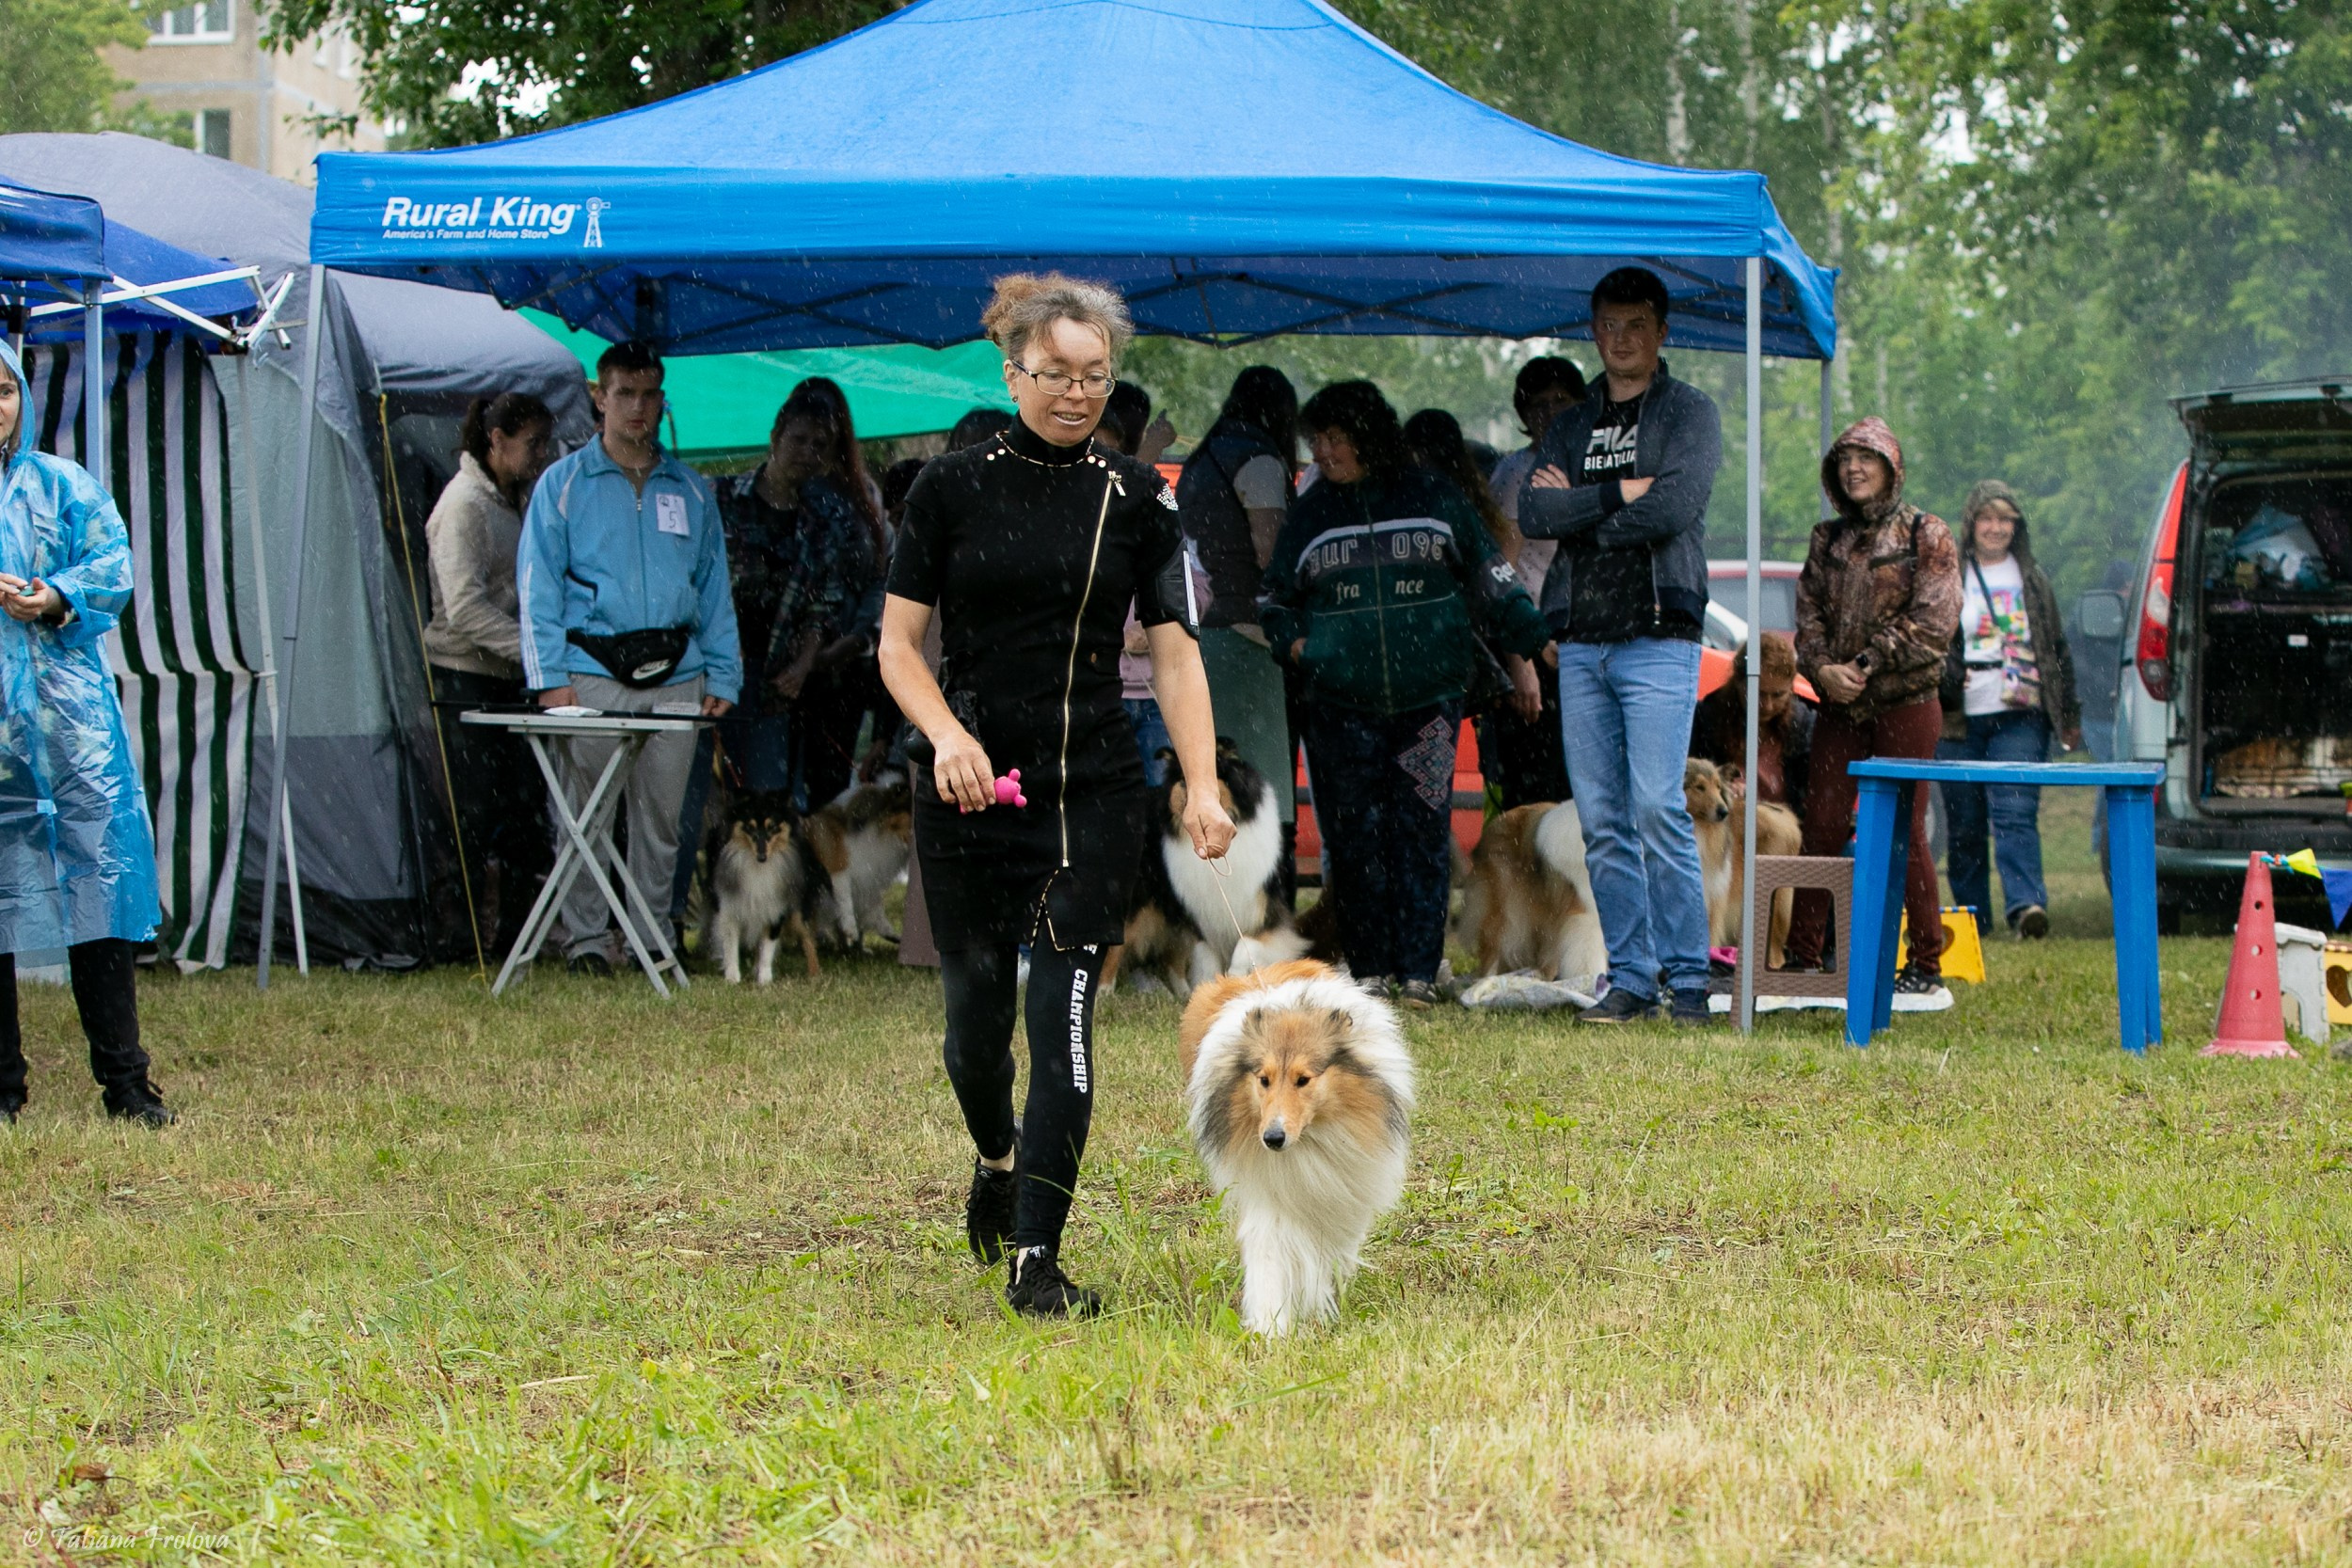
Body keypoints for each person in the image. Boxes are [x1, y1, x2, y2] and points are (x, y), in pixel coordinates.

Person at [879, 273, 1233, 1319]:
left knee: (1062, 1017)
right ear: (1012, 369)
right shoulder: (946, 489)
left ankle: (1038, 1257)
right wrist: (946, 734)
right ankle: (993, 1155)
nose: (1076, 393)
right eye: (1055, 373)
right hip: (972, 785)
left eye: (1096, 375)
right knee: (974, 1028)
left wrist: (1200, 784)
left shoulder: (1138, 498)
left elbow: (1176, 655)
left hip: (1091, 790)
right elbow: (897, 646)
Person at [1262, 381, 1548, 1010]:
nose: (1323, 451)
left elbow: (1490, 575)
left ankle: (1418, 972)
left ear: (1369, 436)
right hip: (1338, 708)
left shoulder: (1435, 497)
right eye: (1317, 439)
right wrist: (1298, 646)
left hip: (1428, 704)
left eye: (1334, 438)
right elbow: (1275, 599)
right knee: (1354, 837)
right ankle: (1368, 972)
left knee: (1421, 832)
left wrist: (1534, 635)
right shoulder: (1311, 512)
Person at [1515, 266, 1722, 1026]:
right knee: (1601, 817)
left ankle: (1691, 980)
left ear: (1662, 331)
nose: (1623, 339)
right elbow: (1535, 511)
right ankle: (1630, 976)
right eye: (1609, 325)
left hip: (1661, 633)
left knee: (1658, 807)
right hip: (1583, 637)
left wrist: (1585, 515)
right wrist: (1614, 494)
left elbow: (1676, 505)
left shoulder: (1689, 413)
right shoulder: (1573, 424)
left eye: (1637, 324)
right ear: (1594, 332)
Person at [517, 340, 740, 976]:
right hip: (589, 669)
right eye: (626, 394)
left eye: (649, 394)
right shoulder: (561, 486)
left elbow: (713, 587)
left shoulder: (691, 491)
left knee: (663, 820)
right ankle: (587, 941)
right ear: (599, 397)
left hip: (678, 668)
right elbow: (536, 586)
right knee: (585, 815)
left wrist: (723, 670)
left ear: (661, 398)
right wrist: (549, 679)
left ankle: (649, 937)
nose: (639, 408)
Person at [0, 340, 170, 1128]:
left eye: (3, 390)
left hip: (71, 731)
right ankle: (4, 1087)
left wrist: (54, 594)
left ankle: (127, 1085)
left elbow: (113, 564)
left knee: (96, 888)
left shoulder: (63, 485)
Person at [1787, 417, 1963, 1008]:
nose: (1854, 468)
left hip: (1907, 703)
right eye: (1845, 459)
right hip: (1839, 705)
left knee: (1904, 832)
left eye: (1868, 457)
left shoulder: (1926, 534)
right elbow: (1806, 619)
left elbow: (1935, 625)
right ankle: (1803, 961)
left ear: (1892, 467)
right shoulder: (1824, 538)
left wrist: (1862, 663)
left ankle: (1925, 963)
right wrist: (1819, 669)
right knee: (1824, 827)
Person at [423, 392, 556, 952]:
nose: (540, 455)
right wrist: (534, 653)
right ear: (496, 441)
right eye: (533, 444)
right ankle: (460, 941)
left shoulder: (513, 498)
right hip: (465, 678)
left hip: (506, 678)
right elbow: (464, 607)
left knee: (522, 810)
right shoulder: (464, 505)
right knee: (470, 818)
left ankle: (518, 937)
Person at [1938, 480, 2082, 939]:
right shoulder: (1947, 575)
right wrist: (1944, 673)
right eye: (1987, 518)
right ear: (1971, 524)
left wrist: (2069, 714)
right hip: (1958, 716)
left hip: (2022, 712)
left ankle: (2026, 908)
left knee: (2015, 812)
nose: (1996, 528)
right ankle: (1972, 919)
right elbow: (1929, 639)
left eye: (2005, 519)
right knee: (1964, 824)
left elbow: (2057, 649)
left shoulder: (2033, 579)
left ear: (2016, 526)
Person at [1177, 367, 1299, 847]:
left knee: (1216, 783)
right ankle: (1263, 908)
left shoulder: (1201, 457)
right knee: (1257, 794)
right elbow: (1269, 551)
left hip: (1203, 635)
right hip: (1248, 637)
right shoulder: (1259, 459)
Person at [1404, 408, 1549, 795]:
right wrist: (1527, 656)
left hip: (1421, 666)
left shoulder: (1409, 502)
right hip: (1454, 665)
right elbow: (1499, 583)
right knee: (1433, 793)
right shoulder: (1465, 504)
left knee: (1415, 793)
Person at [763, 378, 890, 809]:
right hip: (780, 663)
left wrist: (856, 639)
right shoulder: (778, 493)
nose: (810, 450)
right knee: (774, 785)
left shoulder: (863, 497)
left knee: (828, 788)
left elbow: (880, 575)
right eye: (801, 438)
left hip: (845, 668)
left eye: (822, 439)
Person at [1476, 358, 1588, 809]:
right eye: (1537, 405)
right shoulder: (1518, 473)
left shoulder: (1596, 464)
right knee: (1539, 791)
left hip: (1587, 640)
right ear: (1522, 416)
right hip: (1535, 641)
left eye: (1561, 401)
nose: (1550, 413)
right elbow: (1503, 573)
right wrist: (1520, 664)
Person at [1100, 382, 1174, 783]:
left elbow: (1190, 573)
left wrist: (1159, 621)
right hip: (1101, 690)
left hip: (1154, 687)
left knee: (1158, 800)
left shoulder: (1158, 496)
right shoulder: (1070, 507)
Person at [1690, 630, 1814, 807]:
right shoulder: (1707, 719)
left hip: (1786, 829)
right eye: (1758, 693)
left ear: (1791, 689)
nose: (1768, 705)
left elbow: (1810, 800)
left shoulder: (1804, 726)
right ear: (1738, 683)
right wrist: (1722, 788)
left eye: (1778, 695)